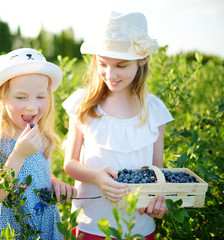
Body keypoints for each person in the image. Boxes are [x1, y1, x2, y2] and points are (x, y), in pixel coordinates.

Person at [62, 11, 174, 239]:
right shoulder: (85, 105)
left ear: (143, 60)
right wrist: (95, 177)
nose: (110, 74)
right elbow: (70, 164)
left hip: (138, 227)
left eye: (121, 66)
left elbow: (156, 173)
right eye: (103, 64)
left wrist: (158, 200)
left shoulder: (154, 111)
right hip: (91, 224)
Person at [0, 48, 77, 240]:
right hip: (9, 230)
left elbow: (39, 173)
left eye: (40, 97)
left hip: (43, 227)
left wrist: (54, 182)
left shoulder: (42, 136)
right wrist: (18, 155)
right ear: (1, 96)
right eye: (21, 97)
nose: (32, 106)